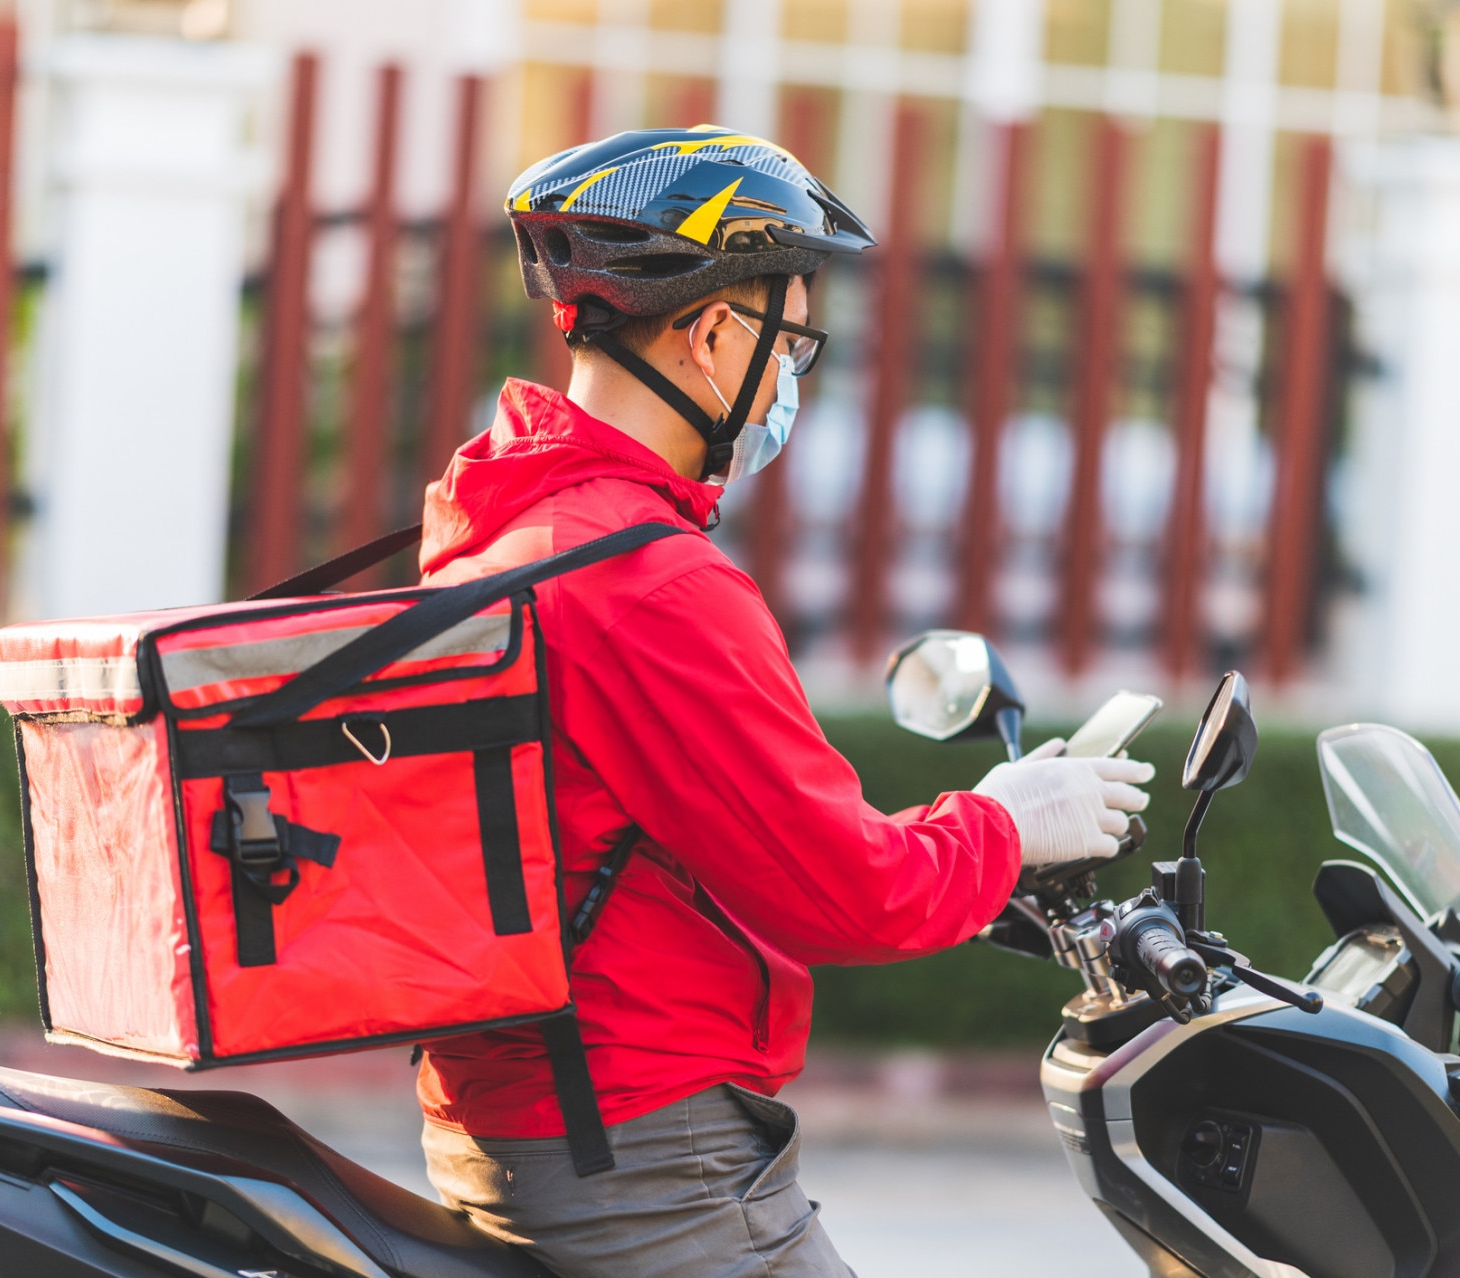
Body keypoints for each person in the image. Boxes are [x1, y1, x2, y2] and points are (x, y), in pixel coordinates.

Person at [414, 126, 1154, 1278]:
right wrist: (1010, 819)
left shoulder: (509, 533)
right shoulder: (645, 582)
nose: (792, 379)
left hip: (527, 1121)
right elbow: (845, 893)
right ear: (713, 333)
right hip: (646, 1154)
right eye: (790, 340)